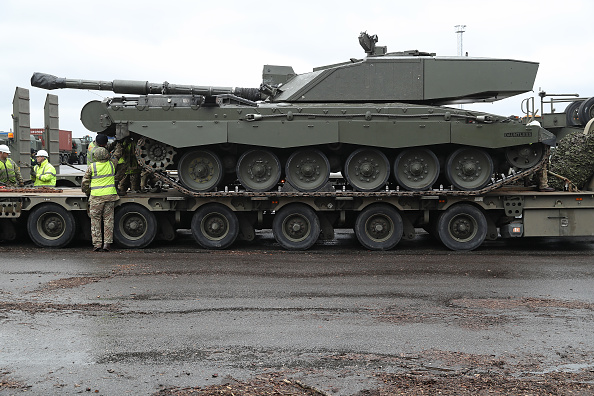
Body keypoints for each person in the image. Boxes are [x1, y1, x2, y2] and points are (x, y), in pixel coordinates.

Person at [81, 145, 122, 252]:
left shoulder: (92, 167)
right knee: (108, 221)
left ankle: (97, 244)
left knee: (95, 221)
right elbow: (117, 155)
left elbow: (84, 182)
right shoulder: (112, 164)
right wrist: (118, 145)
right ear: (107, 155)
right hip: (110, 196)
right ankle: (107, 244)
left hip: (96, 198)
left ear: (96, 156)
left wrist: (87, 191)